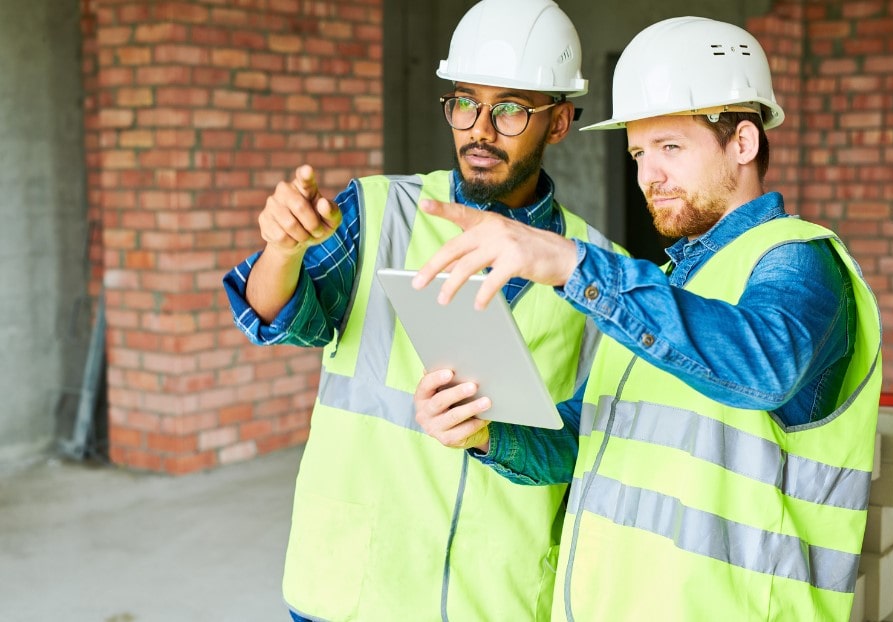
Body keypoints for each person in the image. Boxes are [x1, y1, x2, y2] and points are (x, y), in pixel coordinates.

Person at [412, 16, 883, 621]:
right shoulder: (659, 290)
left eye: (670, 148)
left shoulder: (798, 260)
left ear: (743, 142)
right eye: (638, 152)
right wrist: (486, 433)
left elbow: (763, 366)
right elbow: (582, 442)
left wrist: (569, 262)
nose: (647, 176)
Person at [223, 1, 621, 620]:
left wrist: (494, 438)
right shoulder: (381, 209)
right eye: (465, 102)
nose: (480, 129)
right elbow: (275, 320)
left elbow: (587, 446)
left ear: (561, 121)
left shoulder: (596, 268)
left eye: (511, 108)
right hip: (351, 589)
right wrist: (281, 251)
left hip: (495, 600)